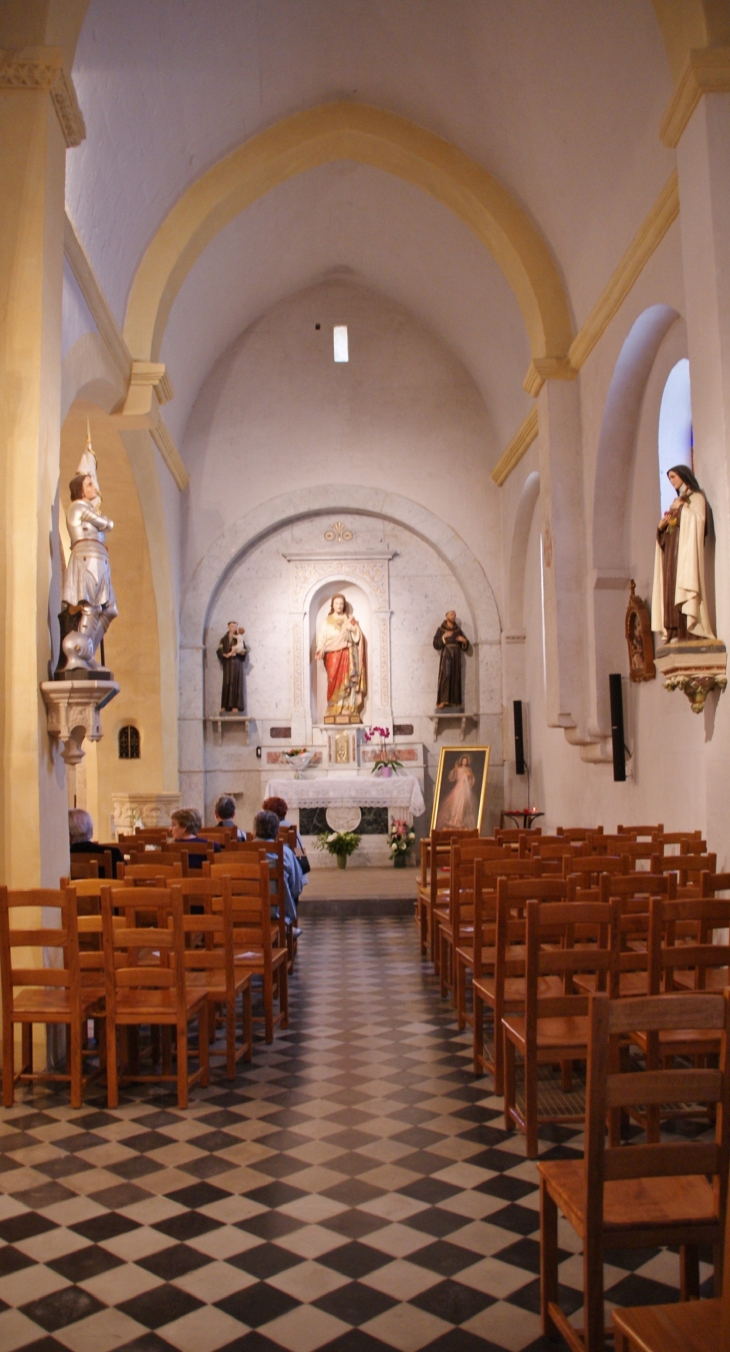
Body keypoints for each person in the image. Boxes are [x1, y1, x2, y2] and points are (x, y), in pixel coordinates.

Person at [59, 471, 118, 674]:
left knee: (110, 610)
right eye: (90, 484)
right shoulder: (78, 507)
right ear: (81, 490)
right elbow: (106, 524)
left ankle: (87, 652)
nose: (95, 488)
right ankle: (79, 654)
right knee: (90, 607)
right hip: (87, 557)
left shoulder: (86, 508)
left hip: (100, 558)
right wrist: (104, 520)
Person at [651, 465, 715, 644]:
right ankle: (674, 630)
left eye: (673, 476)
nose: (671, 481)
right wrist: (661, 528)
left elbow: (699, 522)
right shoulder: (677, 500)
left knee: (683, 588)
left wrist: (682, 509)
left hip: (686, 555)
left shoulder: (696, 498)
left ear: (683, 476)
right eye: (669, 478)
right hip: (672, 552)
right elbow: (669, 528)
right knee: (670, 589)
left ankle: (689, 630)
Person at [315, 594, 366, 722]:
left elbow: (358, 636)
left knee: (348, 681)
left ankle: (348, 707)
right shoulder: (327, 621)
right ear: (332, 605)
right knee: (333, 680)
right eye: (337, 603)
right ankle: (334, 708)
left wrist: (352, 629)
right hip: (332, 655)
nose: (339, 606)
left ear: (344, 605)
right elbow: (322, 638)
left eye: (341, 603)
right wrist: (320, 649)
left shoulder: (349, 619)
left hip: (347, 654)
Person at [254, 809, 302, 934]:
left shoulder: (241, 852)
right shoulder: (286, 851)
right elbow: (297, 888)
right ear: (277, 832)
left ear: (254, 831)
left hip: (248, 911)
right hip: (276, 913)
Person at [263, 796, 309, 894]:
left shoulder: (263, 830)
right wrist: (302, 879)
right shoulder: (292, 830)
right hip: (289, 877)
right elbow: (300, 853)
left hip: (267, 877)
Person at [68, 808, 123, 876]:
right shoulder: (114, 854)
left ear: (69, 834)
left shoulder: (62, 857)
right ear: (91, 831)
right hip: (107, 886)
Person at [433, 611, 468, 708]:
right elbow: (435, 644)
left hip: (456, 655)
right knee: (446, 675)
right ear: (446, 616)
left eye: (455, 615)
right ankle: (443, 700)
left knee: (456, 676)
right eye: (451, 614)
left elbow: (465, 645)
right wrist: (444, 636)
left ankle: (455, 701)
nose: (453, 616)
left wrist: (464, 641)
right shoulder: (441, 629)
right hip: (447, 653)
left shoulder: (458, 630)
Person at [436, 754, 478, 830]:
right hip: (458, 788)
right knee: (455, 804)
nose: (464, 761)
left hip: (464, 789)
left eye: (466, 760)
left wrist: (469, 776)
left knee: (462, 805)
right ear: (461, 761)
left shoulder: (469, 769)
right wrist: (455, 769)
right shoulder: (458, 769)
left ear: (467, 761)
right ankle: (454, 819)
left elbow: (472, 780)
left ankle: (459, 820)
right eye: (463, 760)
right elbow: (452, 777)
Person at [217, 621, 247, 712]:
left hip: (236, 663)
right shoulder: (223, 639)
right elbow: (219, 649)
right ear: (228, 627)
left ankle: (235, 706)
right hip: (228, 663)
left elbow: (244, 650)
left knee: (236, 683)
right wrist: (224, 654)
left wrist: (238, 652)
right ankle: (225, 706)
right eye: (232, 626)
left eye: (235, 626)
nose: (234, 628)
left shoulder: (239, 638)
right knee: (226, 683)